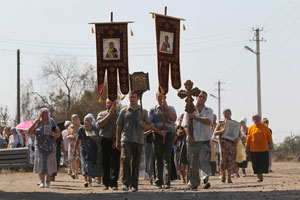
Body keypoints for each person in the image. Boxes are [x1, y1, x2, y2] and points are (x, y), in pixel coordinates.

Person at [116, 91, 154, 192]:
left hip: (138, 139)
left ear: (138, 98)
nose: (132, 99)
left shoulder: (143, 111)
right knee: (125, 159)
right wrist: (117, 140)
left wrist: (144, 125)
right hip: (126, 138)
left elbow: (149, 125)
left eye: (134, 97)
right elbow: (119, 126)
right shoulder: (124, 111)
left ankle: (134, 185)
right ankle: (125, 183)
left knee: (136, 163)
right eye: (131, 97)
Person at [182, 90, 213, 190]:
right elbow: (185, 125)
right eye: (200, 96)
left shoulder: (209, 110)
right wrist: (189, 137)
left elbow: (208, 121)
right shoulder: (189, 109)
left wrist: (195, 117)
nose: (202, 98)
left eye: (204, 97)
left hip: (205, 140)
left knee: (204, 160)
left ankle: (205, 180)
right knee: (193, 163)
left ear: (206, 99)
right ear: (196, 97)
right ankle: (194, 183)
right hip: (193, 140)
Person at [149, 92, 177, 189]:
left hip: (169, 134)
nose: (160, 98)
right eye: (158, 96)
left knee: (167, 158)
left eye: (162, 96)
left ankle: (167, 181)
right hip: (157, 135)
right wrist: (159, 132)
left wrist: (167, 108)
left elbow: (174, 118)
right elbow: (150, 125)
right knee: (158, 158)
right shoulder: (153, 110)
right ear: (156, 97)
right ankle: (158, 180)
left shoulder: (171, 108)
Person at [28, 108, 61, 188]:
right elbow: (29, 132)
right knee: (40, 163)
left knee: (49, 164)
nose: (44, 115)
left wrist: (53, 134)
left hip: (50, 146)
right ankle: (42, 181)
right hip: (39, 146)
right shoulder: (37, 122)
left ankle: (48, 180)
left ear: (48, 114)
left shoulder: (51, 121)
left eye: (46, 113)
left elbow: (58, 133)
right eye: (42, 113)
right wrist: (35, 122)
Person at [96, 99, 120, 190]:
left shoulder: (119, 115)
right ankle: (106, 183)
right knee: (105, 162)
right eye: (109, 103)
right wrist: (109, 115)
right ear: (106, 104)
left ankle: (114, 183)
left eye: (113, 103)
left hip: (115, 139)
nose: (111, 104)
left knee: (115, 162)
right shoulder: (101, 114)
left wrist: (118, 141)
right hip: (105, 139)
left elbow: (121, 127)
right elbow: (100, 125)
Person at [73, 114, 99, 187]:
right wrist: (75, 150)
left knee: (90, 165)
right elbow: (77, 140)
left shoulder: (94, 128)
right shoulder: (81, 129)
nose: (86, 122)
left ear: (91, 121)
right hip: (83, 150)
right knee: (84, 164)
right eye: (85, 120)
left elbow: (98, 139)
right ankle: (86, 180)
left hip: (92, 150)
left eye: (88, 120)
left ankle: (89, 179)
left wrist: (92, 137)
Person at [246, 114, 273, 182]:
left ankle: (261, 175)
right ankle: (259, 176)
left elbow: (269, 136)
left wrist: (270, 144)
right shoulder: (251, 128)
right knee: (256, 164)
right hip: (254, 149)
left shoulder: (265, 127)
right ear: (253, 120)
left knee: (263, 163)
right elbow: (248, 138)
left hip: (263, 148)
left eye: (258, 118)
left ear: (260, 119)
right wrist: (247, 147)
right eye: (255, 118)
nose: (257, 120)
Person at [213, 109, 237, 183]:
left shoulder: (234, 123)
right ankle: (223, 174)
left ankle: (229, 177)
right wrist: (221, 131)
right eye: (225, 114)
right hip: (223, 144)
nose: (226, 115)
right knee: (223, 160)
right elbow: (215, 133)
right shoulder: (220, 123)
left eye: (228, 113)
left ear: (230, 114)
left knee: (231, 160)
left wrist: (237, 138)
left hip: (232, 145)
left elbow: (238, 134)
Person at [174, 114, 189, 184]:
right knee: (180, 163)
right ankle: (183, 178)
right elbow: (177, 135)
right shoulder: (177, 128)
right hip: (179, 147)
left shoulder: (188, 127)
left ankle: (188, 177)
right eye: (180, 119)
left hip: (187, 146)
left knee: (188, 163)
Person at [67, 114, 81, 179]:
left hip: (78, 144)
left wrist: (76, 138)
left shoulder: (81, 127)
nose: (74, 120)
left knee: (77, 159)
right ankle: (73, 172)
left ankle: (77, 172)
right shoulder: (70, 127)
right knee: (72, 159)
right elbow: (67, 135)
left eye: (76, 118)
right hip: (71, 144)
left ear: (78, 119)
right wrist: (70, 136)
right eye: (73, 119)